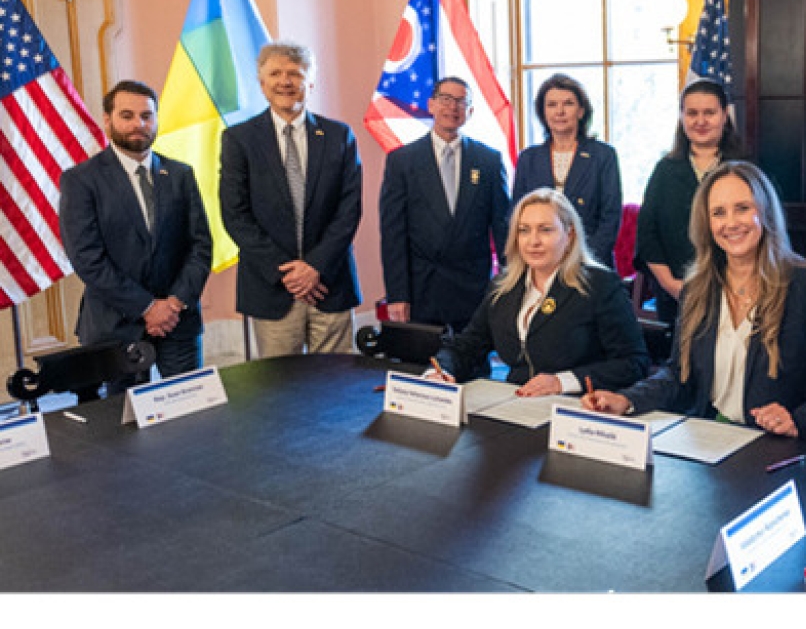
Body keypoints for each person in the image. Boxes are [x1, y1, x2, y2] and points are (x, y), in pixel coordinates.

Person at [585, 162, 806, 442]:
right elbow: (679, 374)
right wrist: (626, 400)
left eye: (742, 208)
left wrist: (796, 421)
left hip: (789, 449)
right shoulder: (697, 288)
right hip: (714, 442)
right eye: (718, 213)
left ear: (764, 212)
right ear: (707, 223)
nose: (731, 223)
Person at [59, 80, 212, 393]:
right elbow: (87, 258)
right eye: (127, 115)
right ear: (107, 120)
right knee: (123, 429)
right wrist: (146, 307)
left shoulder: (180, 175)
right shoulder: (81, 180)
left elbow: (200, 246)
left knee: (190, 419)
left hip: (177, 321)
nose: (138, 124)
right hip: (114, 327)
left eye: (146, 116)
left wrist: (173, 304)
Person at [431, 188, 649, 395]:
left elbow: (634, 363)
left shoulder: (599, 284)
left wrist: (562, 382)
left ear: (569, 235)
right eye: (524, 230)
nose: (533, 241)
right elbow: (467, 346)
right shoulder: (503, 286)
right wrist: (440, 371)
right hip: (514, 403)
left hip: (577, 407)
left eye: (546, 230)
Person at [220, 41, 363, 357]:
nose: (285, 81)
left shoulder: (340, 136)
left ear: (310, 83)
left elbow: (348, 210)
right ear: (262, 84)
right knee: (280, 391)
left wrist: (315, 266)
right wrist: (289, 272)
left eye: (295, 74)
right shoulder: (239, 139)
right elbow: (235, 214)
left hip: (330, 282)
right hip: (272, 287)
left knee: (334, 386)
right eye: (275, 73)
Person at [380, 76, 511, 332]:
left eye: (461, 102)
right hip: (423, 289)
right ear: (431, 105)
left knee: (474, 366)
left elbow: (503, 229)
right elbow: (393, 233)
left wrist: (509, 287)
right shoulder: (402, 161)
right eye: (445, 99)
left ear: (470, 112)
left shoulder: (489, 161)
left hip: (473, 289)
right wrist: (397, 294)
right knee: (422, 368)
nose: (452, 107)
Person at [634, 78, 745, 325]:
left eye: (709, 113)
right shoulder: (665, 170)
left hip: (739, 294)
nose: (700, 121)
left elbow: (763, 230)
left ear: (725, 115)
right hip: (676, 295)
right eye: (692, 113)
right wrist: (672, 286)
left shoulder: (746, 170)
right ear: (682, 117)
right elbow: (647, 235)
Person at [512, 74, 622, 267]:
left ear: (581, 111)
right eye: (552, 105)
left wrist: (580, 261)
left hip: (589, 264)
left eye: (568, 104)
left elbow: (610, 218)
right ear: (542, 113)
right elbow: (517, 215)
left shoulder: (603, 155)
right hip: (539, 264)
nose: (559, 112)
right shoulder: (528, 158)